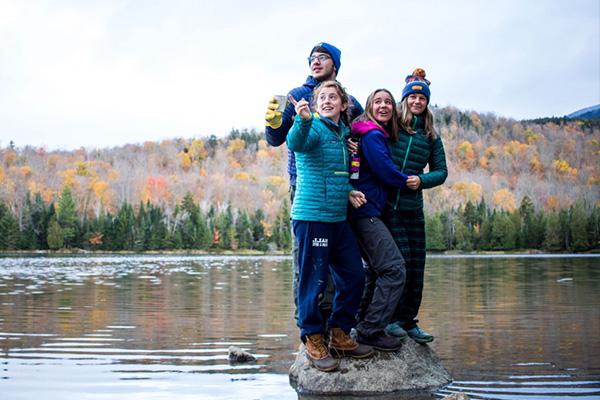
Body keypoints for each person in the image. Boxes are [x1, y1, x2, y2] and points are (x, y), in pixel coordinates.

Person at [264, 42, 363, 319]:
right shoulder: (296, 95)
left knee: (337, 260)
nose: (315, 61)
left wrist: (357, 146)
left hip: (340, 187)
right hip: (305, 185)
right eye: (312, 58)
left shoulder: (348, 100)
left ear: (335, 64)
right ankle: (307, 325)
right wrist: (272, 122)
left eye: (323, 57)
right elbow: (276, 139)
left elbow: (359, 133)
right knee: (307, 260)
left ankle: (335, 321)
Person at [287, 80, 373, 372]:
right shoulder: (311, 127)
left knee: (354, 275)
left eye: (332, 97)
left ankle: (338, 333)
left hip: (337, 218)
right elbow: (295, 143)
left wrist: (348, 189)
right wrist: (301, 119)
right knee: (314, 280)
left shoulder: (342, 134)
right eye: (321, 97)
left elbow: (336, 171)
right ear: (315, 104)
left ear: (343, 104)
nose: (326, 101)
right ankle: (312, 337)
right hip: (312, 218)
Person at [383, 69, 448, 344]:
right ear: (405, 99)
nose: (417, 101)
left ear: (427, 102)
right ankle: (390, 319)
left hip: (412, 207)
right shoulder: (393, 125)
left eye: (422, 98)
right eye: (413, 96)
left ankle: (409, 321)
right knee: (398, 264)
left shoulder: (431, 135)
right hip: (388, 205)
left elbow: (441, 172)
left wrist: (420, 180)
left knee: (417, 266)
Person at [348, 89, 409, 351]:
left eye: (388, 102)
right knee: (394, 269)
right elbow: (385, 170)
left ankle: (362, 322)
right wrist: (409, 181)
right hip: (364, 211)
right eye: (378, 101)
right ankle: (370, 330)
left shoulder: (366, 133)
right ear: (369, 106)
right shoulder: (372, 135)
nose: (384, 106)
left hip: (362, 210)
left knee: (375, 269)